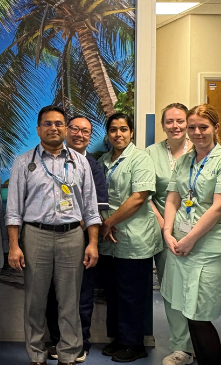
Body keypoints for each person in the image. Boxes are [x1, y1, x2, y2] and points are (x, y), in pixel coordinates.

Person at [6, 105, 101, 365]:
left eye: (59, 123)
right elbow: (13, 210)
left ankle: (68, 355)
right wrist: (14, 246)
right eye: (47, 124)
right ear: (38, 130)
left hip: (72, 237)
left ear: (65, 128)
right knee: (35, 302)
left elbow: (91, 207)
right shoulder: (24, 162)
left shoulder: (80, 162)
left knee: (69, 301)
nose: (54, 128)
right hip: (35, 236)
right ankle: (36, 355)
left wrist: (92, 243)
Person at [162, 104, 221, 365]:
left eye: (203, 127)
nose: (197, 132)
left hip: (208, 247)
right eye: (192, 127)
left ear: (216, 128)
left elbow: (219, 206)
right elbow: (173, 197)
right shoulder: (185, 160)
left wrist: (190, 239)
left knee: (199, 314)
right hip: (181, 244)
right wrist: (167, 231)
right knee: (187, 310)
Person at [97, 113, 162, 362]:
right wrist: (105, 225)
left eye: (123, 129)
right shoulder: (103, 161)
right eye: (113, 130)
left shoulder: (140, 159)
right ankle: (119, 339)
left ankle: (134, 344)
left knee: (132, 294)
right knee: (113, 292)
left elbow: (138, 198)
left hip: (135, 239)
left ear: (132, 132)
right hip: (110, 239)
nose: (118, 134)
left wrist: (109, 223)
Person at [45, 115, 109, 362]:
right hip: (50, 238)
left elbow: (98, 203)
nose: (79, 134)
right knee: (53, 292)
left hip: (80, 237)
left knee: (81, 293)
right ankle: (56, 339)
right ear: (65, 130)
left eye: (85, 131)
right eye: (74, 129)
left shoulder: (91, 165)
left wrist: (73, 225)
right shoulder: (49, 160)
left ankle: (80, 342)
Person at [145, 103, 194, 365]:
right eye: (170, 121)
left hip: (197, 231)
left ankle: (200, 339)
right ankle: (181, 347)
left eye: (180, 121)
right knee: (172, 290)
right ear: (163, 125)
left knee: (195, 289)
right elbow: (146, 195)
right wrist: (166, 227)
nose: (175, 126)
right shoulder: (151, 153)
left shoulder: (199, 151)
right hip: (165, 233)